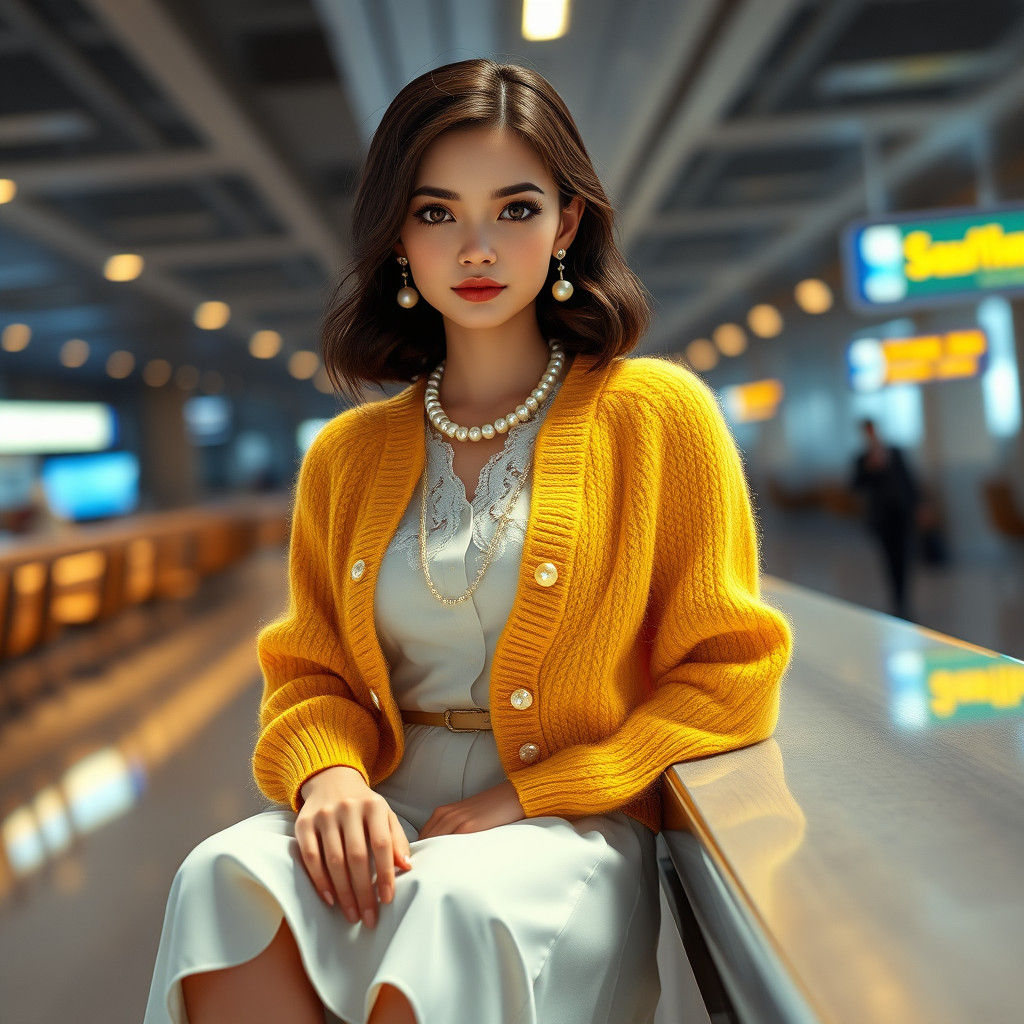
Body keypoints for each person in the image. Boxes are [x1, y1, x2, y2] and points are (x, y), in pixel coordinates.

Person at [143, 58, 794, 1024]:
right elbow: (309, 673)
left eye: (517, 210)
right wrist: (327, 779)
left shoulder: (658, 416)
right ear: (398, 237)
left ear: (568, 223)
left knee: (451, 905)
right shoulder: (346, 455)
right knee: (221, 877)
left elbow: (729, 674)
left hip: (565, 828)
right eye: (438, 213)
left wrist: (531, 795)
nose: (476, 248)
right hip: (383, 807)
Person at [849, 418, 923, 620]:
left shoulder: (895, 452)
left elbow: (909, 481)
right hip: (882, 518)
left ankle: (904, 598)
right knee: (889, 558)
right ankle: (897, 600)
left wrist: (919, 505)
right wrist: (870, 469)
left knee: (905, 557)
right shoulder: (862, 459)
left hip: (902, 514)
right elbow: (855, 486)